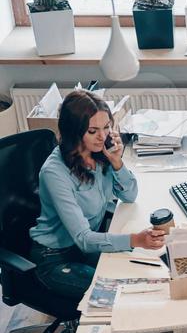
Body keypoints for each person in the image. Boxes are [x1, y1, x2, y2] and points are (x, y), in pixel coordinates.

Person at [29, 91, 163, 302]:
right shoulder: (54, 172)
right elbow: (83, 239)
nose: (103, 137)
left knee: (147, 273)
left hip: (87, 245)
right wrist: (136, 240)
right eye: (93, 131)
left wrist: (117, 162)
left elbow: (130, 195)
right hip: (54, 258)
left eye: (107, 127)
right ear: (74, 132)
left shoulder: (100, 154)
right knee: (119, 294)